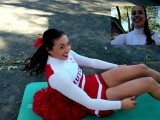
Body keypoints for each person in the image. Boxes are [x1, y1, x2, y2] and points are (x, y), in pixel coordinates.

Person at [23, 28, 160, 120]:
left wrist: (116, 66)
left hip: (93, 81)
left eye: (68, 44)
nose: (68, 49)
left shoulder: (66, 53)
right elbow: (89, 102)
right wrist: (120, 104)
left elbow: (91, 62)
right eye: (62, 47)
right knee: (149, 83)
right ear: (49, 50)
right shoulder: (56, 76)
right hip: (94, 99)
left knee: (141, 68)